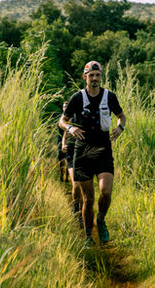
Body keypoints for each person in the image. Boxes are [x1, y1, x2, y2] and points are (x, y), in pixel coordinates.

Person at [59, 61, 126, 248]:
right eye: (91, 75)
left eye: (97, 75)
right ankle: (88, 236)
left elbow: (122, 116)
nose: (94, 79)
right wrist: (70, 128)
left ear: (101, 76)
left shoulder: (109, 97)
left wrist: (120, 127)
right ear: (85, 77)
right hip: (82, 152)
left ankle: (101, 219)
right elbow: (62, 121)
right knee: (88, 199)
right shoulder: (77, 98)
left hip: (103, 148)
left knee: (106, 191)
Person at [61, 119, 83, 227]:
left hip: (84, 153)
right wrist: (63, 144)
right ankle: (75, 208)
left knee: (84, 186)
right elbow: (65, 133)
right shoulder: (71, 118)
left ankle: (84, 210)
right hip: (70, 153)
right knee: (76, 184)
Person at [57, 102, 69, 183]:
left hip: (68, 141)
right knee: (61, 159)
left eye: (67, 106)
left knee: (68, 159)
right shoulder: (60, 118)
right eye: (64, 106)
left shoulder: (71, 117)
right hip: (59, 140)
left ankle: (67, 177)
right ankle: (61, 175)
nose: (65, 108)